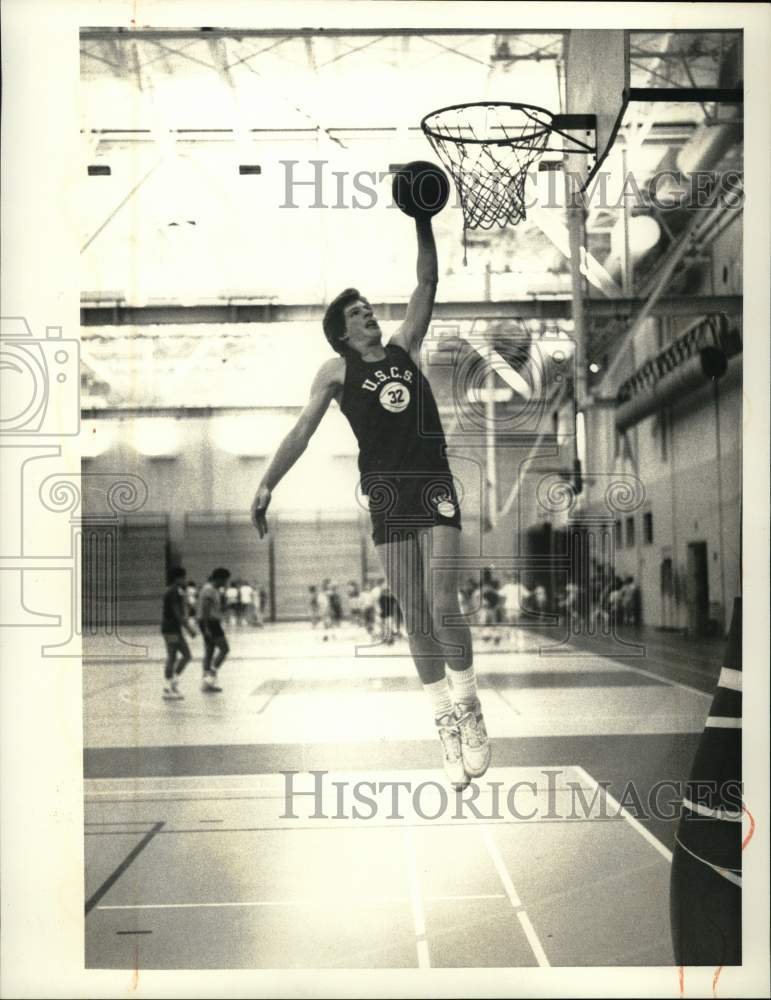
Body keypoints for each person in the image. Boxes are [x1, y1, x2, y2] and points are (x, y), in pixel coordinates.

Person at [251, 211, 490, 788]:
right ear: (342, 333)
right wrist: (266, 483)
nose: (370, 316)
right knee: (415, 616)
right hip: (385, 495)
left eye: (368, 309)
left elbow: (427, 283)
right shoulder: (336, 371)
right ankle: (444, 723)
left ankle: (469, 709)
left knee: (442, 601)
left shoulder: (406, 346)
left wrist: (424, 221)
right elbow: (301, 432)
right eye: (358, 314)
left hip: (431, 482)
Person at [161, 566, 196, 700]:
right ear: (178, 578)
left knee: (185, 656)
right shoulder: (173, 592)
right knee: (173, 656)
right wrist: (189, 628)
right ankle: (168, 687)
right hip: (170, 628)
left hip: (173, 628)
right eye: (183, 578)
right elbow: (177, 614)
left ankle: (172, 683)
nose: (185, 580)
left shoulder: (176, 591)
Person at [196, 567, 231, 692]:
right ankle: (211, 674)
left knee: (209, 652)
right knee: (225, 649)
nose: (226, 583)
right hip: (210, 623)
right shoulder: (209, 590)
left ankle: (207, 683)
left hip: (210, 622)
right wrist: (206, 628)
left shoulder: (213, 589)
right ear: (220, 579)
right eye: (226, 580)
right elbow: (205, 608)